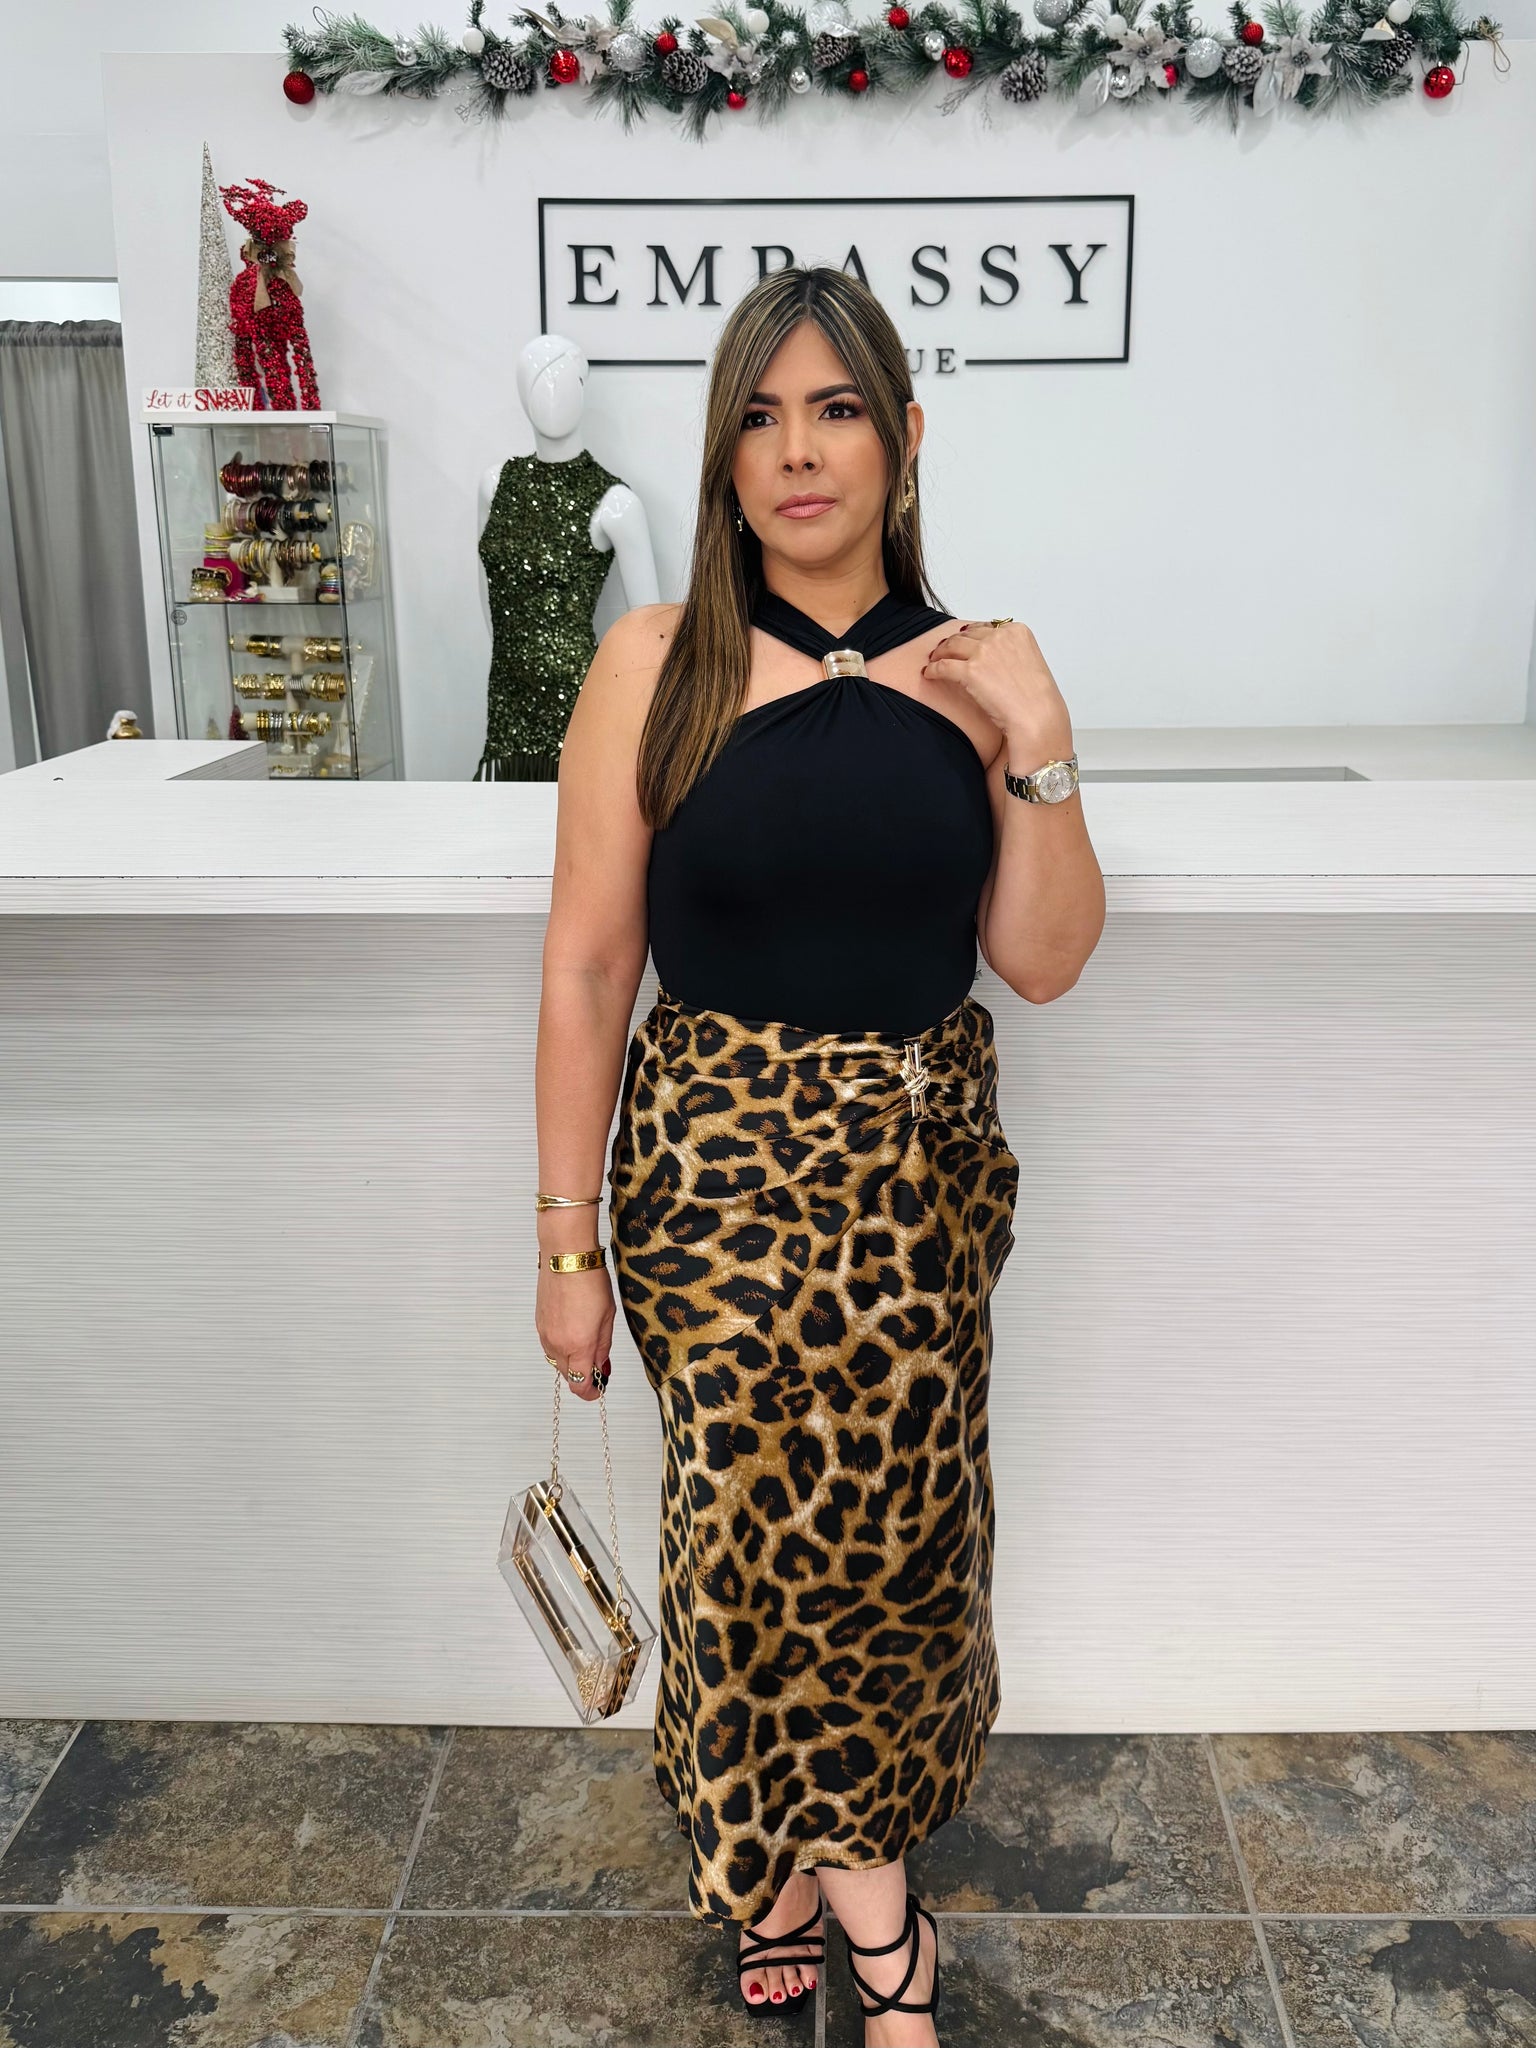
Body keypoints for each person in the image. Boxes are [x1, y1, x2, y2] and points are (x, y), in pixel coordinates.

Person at [533, 264, 1105, 2047]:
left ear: (903, 439)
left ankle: (790, 1872)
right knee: (743, 1552)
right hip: (710, 1189)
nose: (799, 452)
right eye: (761, 419)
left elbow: (1042, 961)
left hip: (920, 1201)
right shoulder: (656, 662)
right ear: (724, 459)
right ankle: (874, 1921)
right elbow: (587, 967)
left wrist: (1045, 746)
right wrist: (567, 1248)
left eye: (837, 410)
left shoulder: (977, 676)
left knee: (897, 1560)